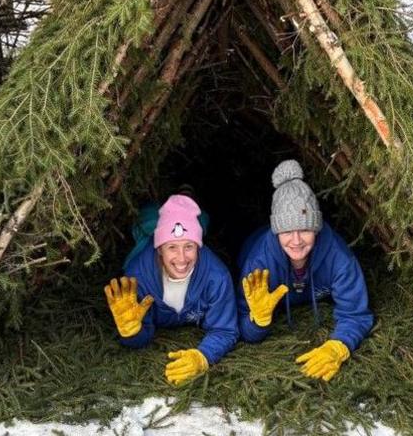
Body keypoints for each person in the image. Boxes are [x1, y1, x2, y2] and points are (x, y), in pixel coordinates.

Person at [237, 159, 373, 382]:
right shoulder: (258, 265)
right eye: (287, 231)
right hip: (248, 241)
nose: (297, 240)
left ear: (317, 228)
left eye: (305, 229)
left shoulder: (338, 257)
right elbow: (241, 326)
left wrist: (339, 345)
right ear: (276, 231)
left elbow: (356, 313)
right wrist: (257, 321)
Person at [104, 193, 237, 386]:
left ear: (199, 247)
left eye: (189, 246)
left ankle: (189, 195)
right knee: (147, 218)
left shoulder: (217, 277)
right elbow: (141, 337)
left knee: (201, 216)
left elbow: (225, 330)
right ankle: (157, 204)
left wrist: (203, 356)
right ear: (160, 249)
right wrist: (131, 332)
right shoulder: (137, 277)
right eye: (172, 247)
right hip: (146, 241)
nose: (182, 258)